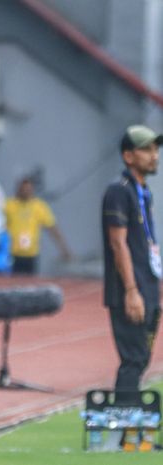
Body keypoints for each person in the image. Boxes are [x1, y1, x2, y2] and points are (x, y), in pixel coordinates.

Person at [102, 124, 163, 399]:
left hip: (146, 286)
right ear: (128, 156)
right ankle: (124, 425)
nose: (155, 155)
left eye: (156, 149)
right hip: (131, 290)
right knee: (133, 358)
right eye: (147, 149)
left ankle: (129, 426)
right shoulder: (119, 190)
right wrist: (131, 291)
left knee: (141, 360)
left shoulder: (143, 192)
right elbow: (118, 243)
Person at [4, 177, 71, 274]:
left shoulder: (39, 207)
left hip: (31, 254)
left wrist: (64, 249)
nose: (26, 192)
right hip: (12, 254)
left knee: (30, 284)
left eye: (28, 189)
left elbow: (52, 228)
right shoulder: (9, 205)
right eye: (23, 189)